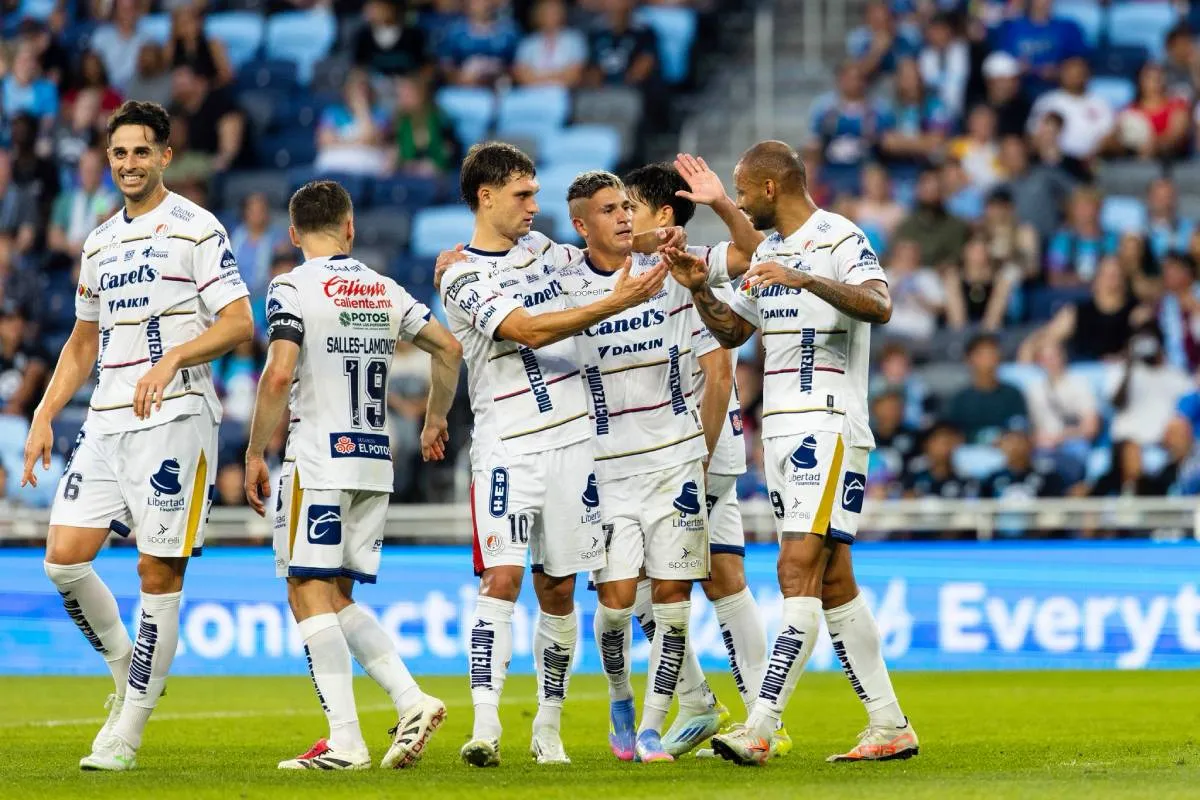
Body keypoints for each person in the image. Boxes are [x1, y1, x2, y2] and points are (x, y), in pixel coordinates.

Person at [664, 140, 918, 765]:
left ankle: (761, 724)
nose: (741, 202)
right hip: (778, 432)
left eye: (742, 192)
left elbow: (880, 304)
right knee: (832, 581)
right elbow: (734, 331)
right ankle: (889, 724)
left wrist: (805, 279)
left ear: (771, 187)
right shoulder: (766, 253)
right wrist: (700, 291)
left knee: (795, 570)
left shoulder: (840, 237)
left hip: (828, 425)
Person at [21, 100, 254, 771]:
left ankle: (128, 729)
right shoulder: (97, 242)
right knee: (63, 561)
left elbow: (240, 322)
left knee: (158, 571)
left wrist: (174, 356)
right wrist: (43, 414)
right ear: (109, 158)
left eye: (141, 151)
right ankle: (129, 670)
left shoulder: (196, 228)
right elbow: (81, 342)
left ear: (165, 156)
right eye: (120, 152)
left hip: (176, 415)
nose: (129, 163)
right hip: (106, 417)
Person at [437, 142, 667, 767]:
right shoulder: (462, 276)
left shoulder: (544, 250)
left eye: (536, 193)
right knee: (502, 578)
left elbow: (608, 252)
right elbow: (527, 331)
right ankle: (486, 726)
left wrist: (663, 239)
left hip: (573, 444)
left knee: (559, 589)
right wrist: (615, 304)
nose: (534, 206)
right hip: (508, 449)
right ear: (485, 197)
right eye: (523, 195)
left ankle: (548, 724)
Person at [242, 179, 461, 770]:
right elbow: (448, 348)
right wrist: (435, 419)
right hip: (373, 459)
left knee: (304, 591)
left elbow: (279, 373)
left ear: (293, 233)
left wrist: (255, 451)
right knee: (335, 595)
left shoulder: (290, 286)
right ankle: (412, 700)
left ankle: (346, 742)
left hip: (319, 458)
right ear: (350, 227)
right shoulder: (385, 288)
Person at [618, 158, 772, 759]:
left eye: (630, 206)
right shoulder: (631, 271)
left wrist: (698, 461)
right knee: (724, 577)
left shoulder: (696, 267)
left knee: (639, 579)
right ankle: (759, 716)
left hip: (695, 451)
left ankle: (702, 702)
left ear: (662, 214)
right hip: (690, 451)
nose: (622, 216)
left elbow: (720, 373)